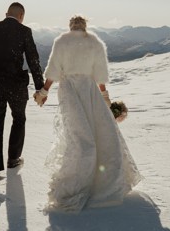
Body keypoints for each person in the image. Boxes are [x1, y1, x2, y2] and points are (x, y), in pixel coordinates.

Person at [37, 15, 142, 211]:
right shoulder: (95, 42)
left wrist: (44, 91)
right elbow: (100, 74)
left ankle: (81, 181)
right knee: (102, 131)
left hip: (70, 90)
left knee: (81, 135)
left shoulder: (62, 41)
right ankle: (103, 182)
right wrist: (105, 96)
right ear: (85, 27)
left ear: (71, 27)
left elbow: (52, 72)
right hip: (89, 90)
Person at [0, 2, 44, 185]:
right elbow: (33, 60)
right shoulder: (24, 31)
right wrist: (41, 87)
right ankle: (13, 159)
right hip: (15, 85)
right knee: (19, 118)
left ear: (6, 13)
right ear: (21, 15)